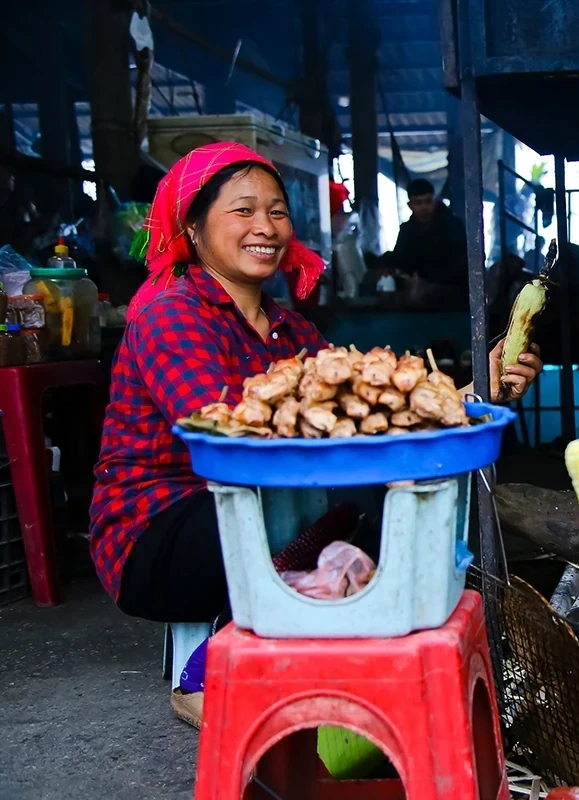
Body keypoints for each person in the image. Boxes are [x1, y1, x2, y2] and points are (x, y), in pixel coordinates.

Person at [89, 143, 542, 718]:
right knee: (336, 489)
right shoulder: (171, 314)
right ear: (195, 228)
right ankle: (202, 673)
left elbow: (374, 409)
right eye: (244, 211)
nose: (266, 227)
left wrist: (476, 392)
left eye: (277, 212)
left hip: (264, 509)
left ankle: (349, 644)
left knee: (400, 489)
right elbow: (231, 441)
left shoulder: (288, 327)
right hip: (160, 533)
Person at [384, 178, 469, 303]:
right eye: (418, 203)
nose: (424, 207)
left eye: (427, 201)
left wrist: (428, 281)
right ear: (410, 205)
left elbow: (461, 265)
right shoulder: (407, 230)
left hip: (452, 294)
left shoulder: (452, 226)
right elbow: (399, 258)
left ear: (434, 201)